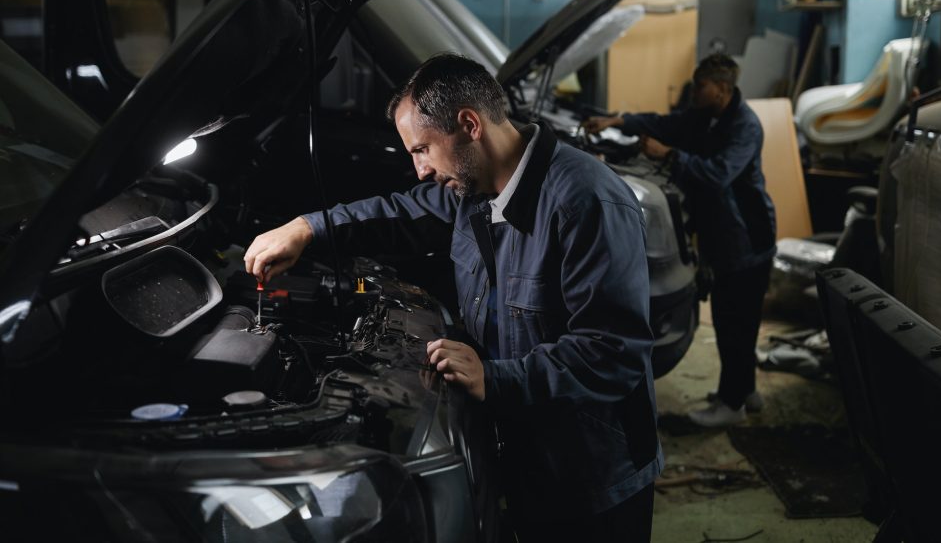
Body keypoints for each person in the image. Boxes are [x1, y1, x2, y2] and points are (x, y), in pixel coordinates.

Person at [244, 53, 662, 542]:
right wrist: (306, 228)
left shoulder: (585, 202)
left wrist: (496, 378)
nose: (419, 170)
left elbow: (613, 352)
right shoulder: (476, 191)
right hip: (526, 458)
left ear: (469, 125)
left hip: (593, 476)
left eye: (422, 149)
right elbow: (396, 214)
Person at [583, 53, 776, 428]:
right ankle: (746, 392)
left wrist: (670, 155)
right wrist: (619, 120)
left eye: (700, 85)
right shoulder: (707, 116)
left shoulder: (744, 126)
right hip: (726, 234)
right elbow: (666, 123)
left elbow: (718, 174)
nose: (693, 90)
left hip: (746, 239)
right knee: (740, 320)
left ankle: (731, 404)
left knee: (734, 320)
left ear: (721, 89)